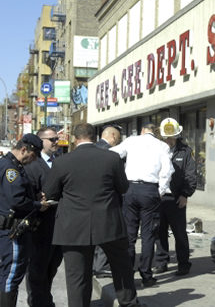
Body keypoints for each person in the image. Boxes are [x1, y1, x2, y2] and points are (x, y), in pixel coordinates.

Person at [44, 123, 140, 307]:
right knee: (121, 266)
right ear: (95, 137)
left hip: (73, 226)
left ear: (74, 138)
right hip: (108, 222)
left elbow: (49, 193)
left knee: (77, 276)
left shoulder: (62, 162)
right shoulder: (112, 158)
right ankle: (129, 303)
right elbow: (123, 188)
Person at [110, 123, 174, 287]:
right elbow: (167, 171)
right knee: (148, 235)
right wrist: (160, 191)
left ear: (142, 131)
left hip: (130, 189)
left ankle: (128, 273)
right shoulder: (162, 146)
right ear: (154, 132)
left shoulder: (132, 140)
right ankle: (146, 274)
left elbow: (113, 154)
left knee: (130, 235)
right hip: (149, 190)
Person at [0, 134, 48, 307]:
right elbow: (16, 200)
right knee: (11, 276)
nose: (33, 160)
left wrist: (33, 196)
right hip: (12, 232)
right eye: (33, 156)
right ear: (23, 150)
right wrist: (37, 204)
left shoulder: (11, 165)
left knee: (6, 275)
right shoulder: (10, 169)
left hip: (8, 229)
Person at [24, 127, 63, 307]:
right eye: (52, 139)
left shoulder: (61, 161)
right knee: (37, 271)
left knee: (52, 266)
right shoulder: (32, 165)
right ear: (41, 142)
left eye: (57, 139)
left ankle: (46, 300)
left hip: (60, 226)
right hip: (40, 226)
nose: (56, 142)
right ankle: (38, 303)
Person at [153, 118, 197, 276]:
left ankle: (184, 264)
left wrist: (186, 194)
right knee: (159, 232)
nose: (169, 140)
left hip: (177, 198)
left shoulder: (185, 152)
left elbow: (190, 175)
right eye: (166, 137)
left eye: (171, 137)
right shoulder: (157, 150)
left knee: (179, 233)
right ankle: (161, 262)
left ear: (177, 136)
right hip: (159, 197)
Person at [92, 125, 122, 279]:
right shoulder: (112, 153)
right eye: (117, 138)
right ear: (113, 136)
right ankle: (101, 266)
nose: (118, 142)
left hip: (90, 201)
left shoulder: (92, 149)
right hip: (107, 200)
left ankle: (94, 265)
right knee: (105, 235)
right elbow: (120, 182)